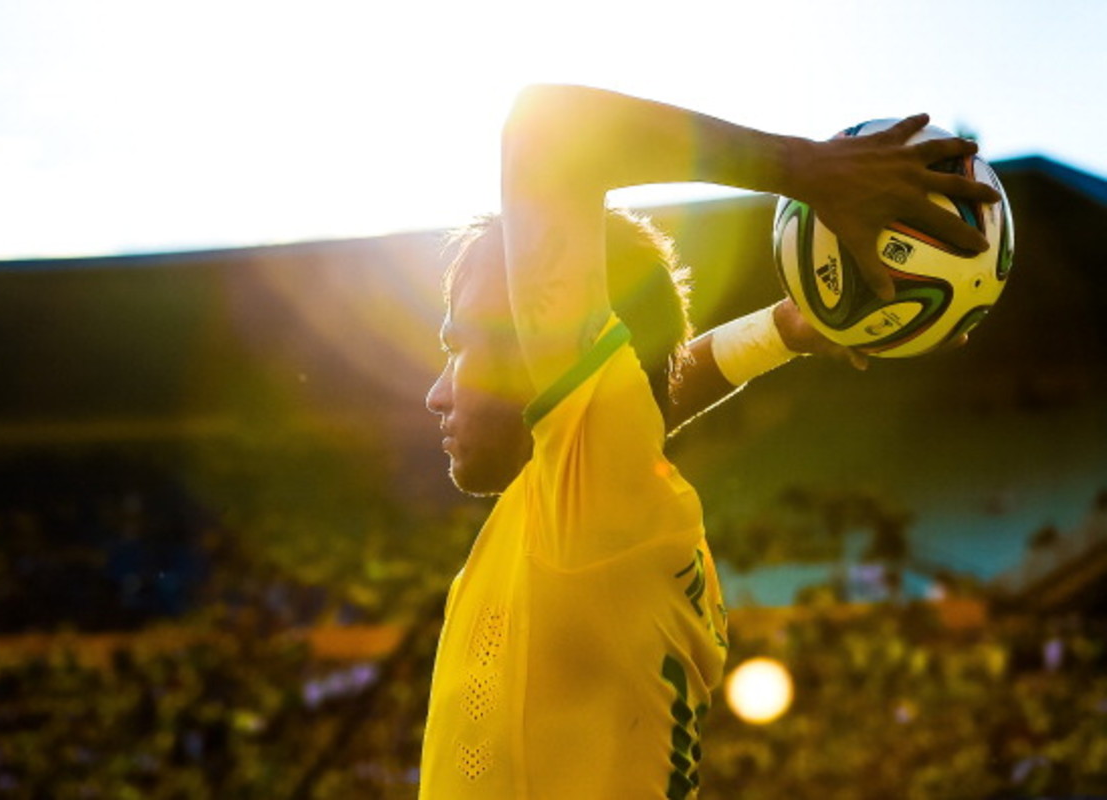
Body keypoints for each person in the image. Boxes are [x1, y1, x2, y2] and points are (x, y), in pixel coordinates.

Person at [420, 85, 1000, 798]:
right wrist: (779, 331)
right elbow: (645, 400)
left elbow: (551, 130)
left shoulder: (591, 509)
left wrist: (811, 170)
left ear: (541, 355)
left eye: (458, 348)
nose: (436, 393)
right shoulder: (598, 506)